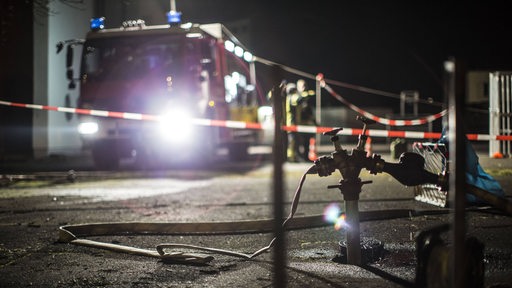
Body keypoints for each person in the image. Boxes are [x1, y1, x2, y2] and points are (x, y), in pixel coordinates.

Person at [295, 79, 317, 161]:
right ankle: (298, 157)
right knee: (298, 141)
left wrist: (314, 121)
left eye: (305, 86)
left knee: (307, 141)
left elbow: (309, 110)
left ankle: (305, 157)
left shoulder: (307, 97)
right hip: (298, 124)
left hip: (307, 123)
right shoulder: (297, 97)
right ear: (298, 87)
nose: (304, 88)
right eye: (302, 86)